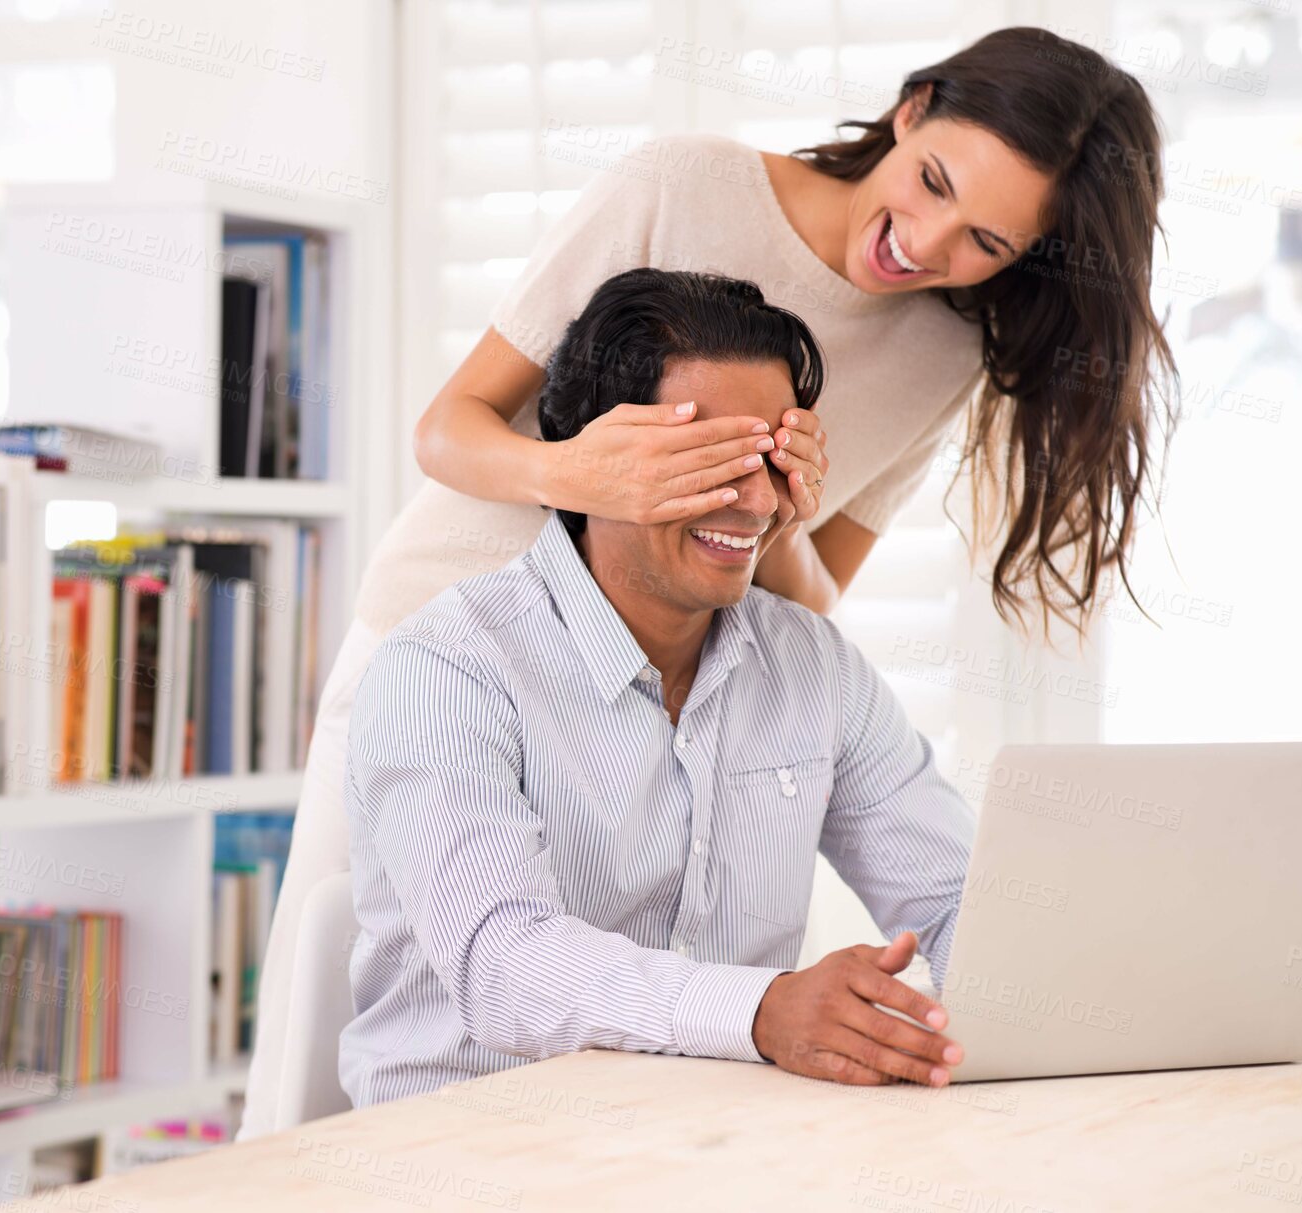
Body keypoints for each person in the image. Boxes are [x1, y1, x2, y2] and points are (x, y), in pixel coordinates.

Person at [242, 26, 1175, 1132]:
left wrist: (765, 494)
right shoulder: (679, 186)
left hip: (698, 650)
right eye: (931, 185)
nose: (926, 242)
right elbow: (448, 423)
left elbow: (806, 601)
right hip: (467, 647)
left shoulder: (937, 359)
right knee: (346, 1030)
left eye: (986, 241)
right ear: (911, 110)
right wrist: (581, 472)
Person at [340, 269, 976, 1107]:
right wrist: (762, 1010)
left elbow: (961, 898)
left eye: (769, 457)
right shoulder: (446, 671)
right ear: (598, 464)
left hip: (710, 1150)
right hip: (471, 1157)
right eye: (701, 459)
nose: (754, 500)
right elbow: (504, 963)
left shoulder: (813, 669)